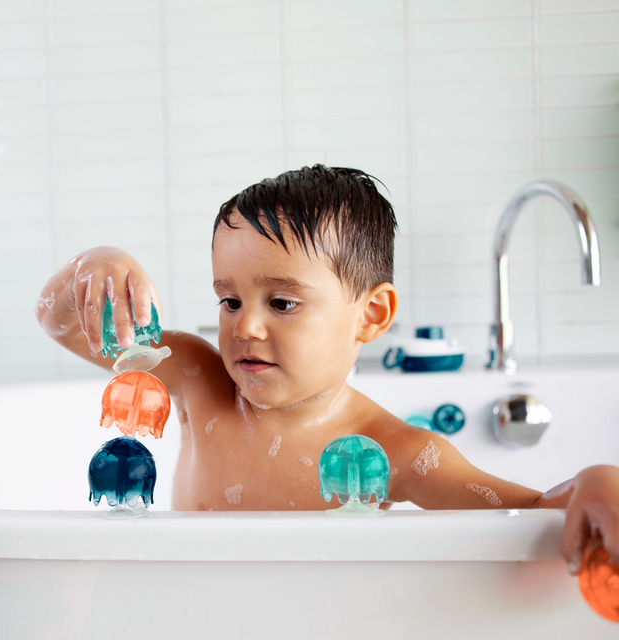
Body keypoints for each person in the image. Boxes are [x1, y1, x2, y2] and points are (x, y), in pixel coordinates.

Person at [36, 165, 619, 577]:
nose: (247, 328)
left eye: (282, 303)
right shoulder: (196, 379)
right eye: (230, 301)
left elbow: (527, 511)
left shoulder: (396, 449)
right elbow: (58, 321)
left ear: (370, 314)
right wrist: (98, 265)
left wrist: (598, 481)